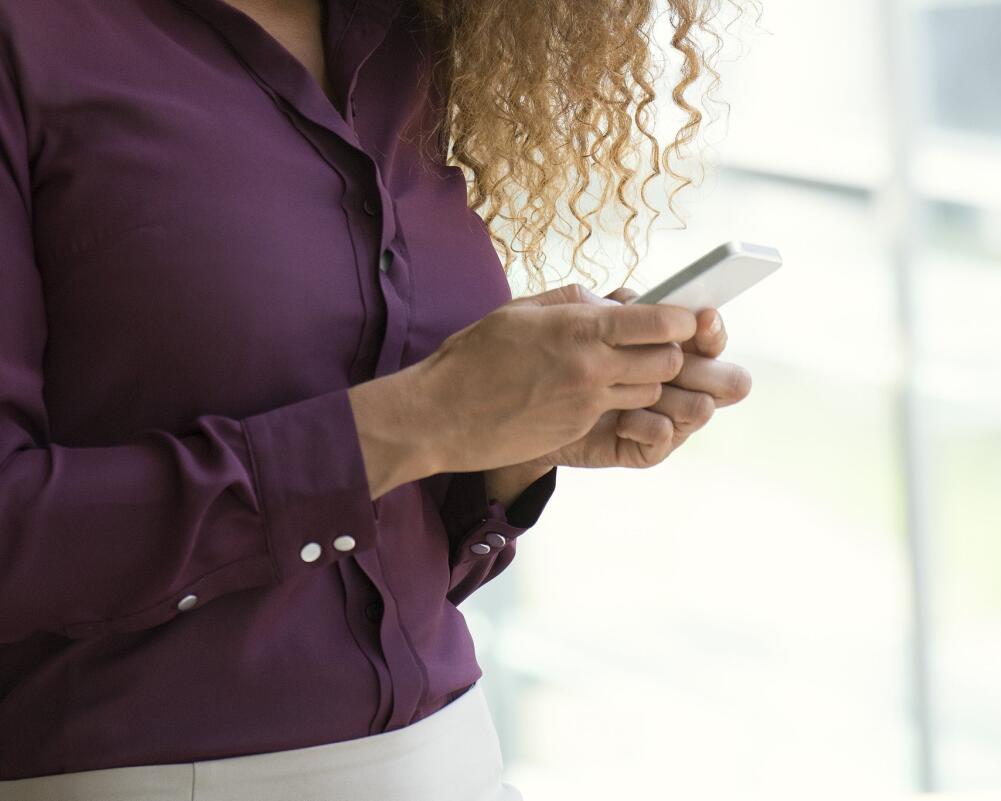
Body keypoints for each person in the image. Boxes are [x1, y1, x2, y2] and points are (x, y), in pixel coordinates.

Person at [0, 0, 753, 798]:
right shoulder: (34, 38)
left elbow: (357, 539)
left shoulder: (399, 37)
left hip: (453, 756)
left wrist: (515, 437)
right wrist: (421, 420)